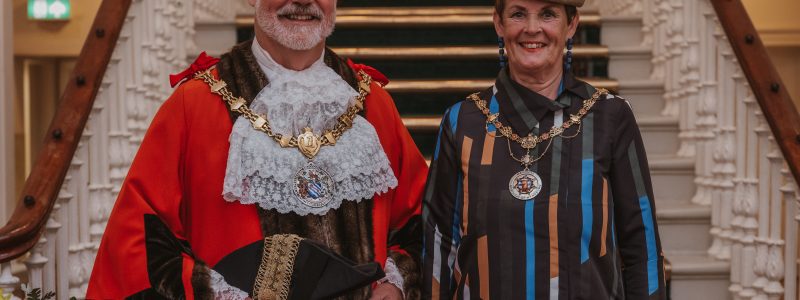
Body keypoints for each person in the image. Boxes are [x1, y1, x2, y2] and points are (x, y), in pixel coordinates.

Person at [87, 0, 427, 298]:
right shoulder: (193, 105)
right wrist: (215, 294)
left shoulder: (373, 104)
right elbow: (140, 238)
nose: (303, 1)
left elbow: (423, 222)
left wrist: (397, 283)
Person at [421, 0, 667, 299]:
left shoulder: (611, 117)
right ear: (499, 23)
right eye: (518, 14)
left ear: (572, 24)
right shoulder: (462, 122)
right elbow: (439, 243)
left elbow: (642, 247)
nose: (532, 28)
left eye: (548, 14)